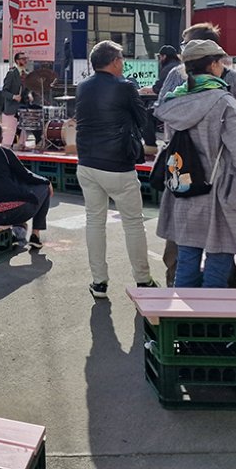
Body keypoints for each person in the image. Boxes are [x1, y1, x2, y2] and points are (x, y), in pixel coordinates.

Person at [154, 40, 236, 288]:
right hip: (220, 188)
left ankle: (184, 317)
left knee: (187, 254)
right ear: (213, 65)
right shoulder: (223, 101)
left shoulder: (173, 101)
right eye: (221, 62)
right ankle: (211, 317)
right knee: (220, 253)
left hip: (183, 186)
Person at [76, 40, 157, 298]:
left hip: (87, 163)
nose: (123, 63)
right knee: (133, 223)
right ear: (113, 62)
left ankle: (99, 282)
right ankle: (143, 281)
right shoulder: (125, 87)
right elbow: (142, 120)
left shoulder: (82, 86)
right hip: (118, 165)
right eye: (121, 59)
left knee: (94, 222)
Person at [0, 119, 51, 249]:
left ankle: (19, 229)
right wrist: (46, 182)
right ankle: (35, 235)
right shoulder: (5, 153)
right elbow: (26, 176)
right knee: (43, 188)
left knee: (15, 187)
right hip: (16, 211)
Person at [1, 51, 30, 150]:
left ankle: (21, 145)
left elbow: (26, 91)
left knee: (22, 129)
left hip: (22, 107)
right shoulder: (11, 73)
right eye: (23, 59)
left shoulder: (26, 74)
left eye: (26, 59)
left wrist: (29, 95)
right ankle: (7, 148)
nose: (25, 61)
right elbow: (4, 91)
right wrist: (13, 96)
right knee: (9, 132)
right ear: (17, 61)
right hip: (12, 108)